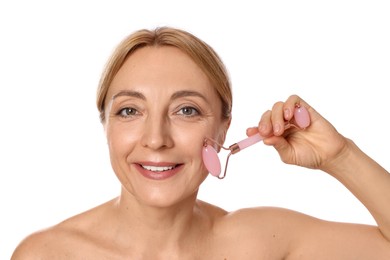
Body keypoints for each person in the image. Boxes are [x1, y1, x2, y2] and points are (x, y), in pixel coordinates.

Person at [11, 26, 390, 259]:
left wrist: (339, 155)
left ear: (225, 128)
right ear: (105, 125)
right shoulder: (47, 255)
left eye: (186, 110)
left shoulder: (259, 243)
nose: (156, 139)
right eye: (129, 111)